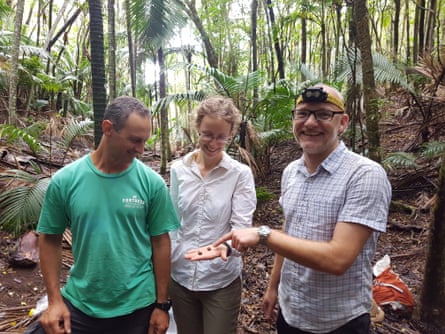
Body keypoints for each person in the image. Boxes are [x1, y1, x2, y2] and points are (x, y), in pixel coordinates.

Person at [186, 84, 392, 334]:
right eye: (303, 113)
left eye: (324, 114)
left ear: (343, 123)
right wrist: (274, 286)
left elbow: (339, 259)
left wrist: (264, 235)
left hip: (338, 320)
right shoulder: (292, 172)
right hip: (291, 312)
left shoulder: (365, 174)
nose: (311, 122)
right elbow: (289, 229)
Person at [26, 96, 180, 334]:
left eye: (145, 141)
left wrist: (161, 305)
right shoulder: (66, 181)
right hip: (82, 303)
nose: (141, 149)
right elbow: (50, 238)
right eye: (135, 140)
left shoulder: (152, 184)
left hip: (137, 306)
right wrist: (55, 301)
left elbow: (161, 242)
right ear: (108, 128)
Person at [169, 96, 257, 334]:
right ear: (197, 128)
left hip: (220, 279)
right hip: (181, 276)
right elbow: (173, 223)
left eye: (221, 137)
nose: (213, 142)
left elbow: (241, 228)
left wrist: (226, 248)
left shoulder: (240, 174)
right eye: (208, 134)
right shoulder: (178, 169)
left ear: (230, 135)